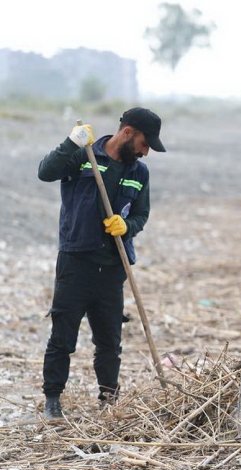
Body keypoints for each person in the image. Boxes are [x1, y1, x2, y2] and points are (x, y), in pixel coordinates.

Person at [37, 107, 166, 419]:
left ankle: (109, 398)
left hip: (113, 266)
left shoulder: (139, 172)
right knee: (63, 337)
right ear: (128, 133)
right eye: (145, 144)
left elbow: (141, 214)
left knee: (110, 340)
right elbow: (45, 172)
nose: (146, 152)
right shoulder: (84, 156)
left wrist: (127, 226)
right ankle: (53, 400)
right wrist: (70, 142)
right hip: (76, 262)